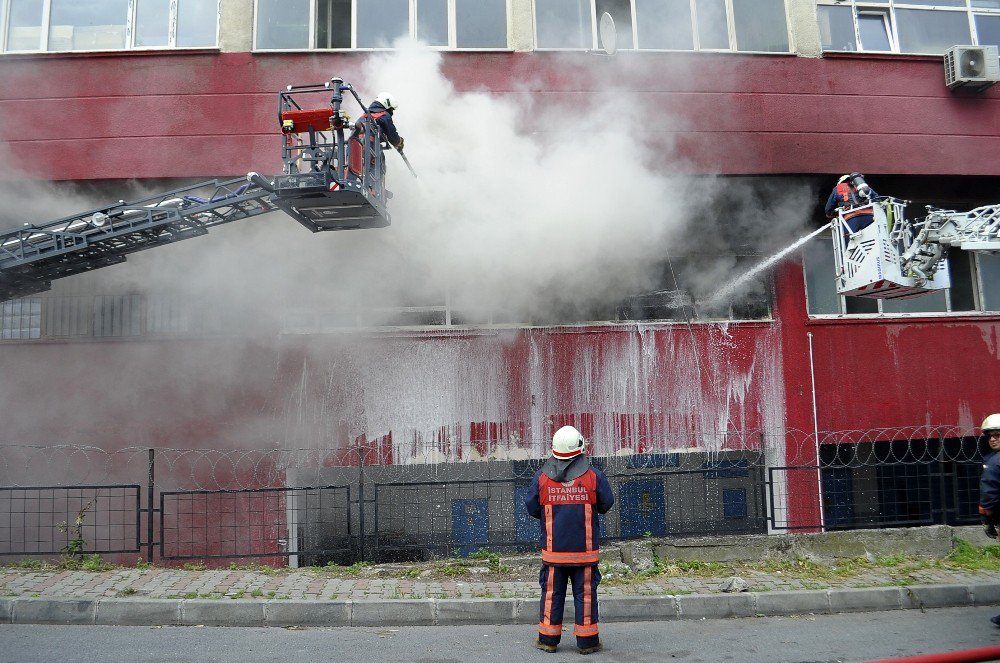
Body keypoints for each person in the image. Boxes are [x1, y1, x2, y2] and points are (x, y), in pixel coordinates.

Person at [524, 425, 615, 655]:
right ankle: (587, 643)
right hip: (584, 554)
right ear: (580, 448)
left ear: (554, 449)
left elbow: (532, 507)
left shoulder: (542, 477)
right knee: (585, 595)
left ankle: (547, 640)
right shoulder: (594, 476)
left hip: (554, 554)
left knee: (551, 594)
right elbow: (606, 504)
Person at [825, 172, 880, 237]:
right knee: (873, 238)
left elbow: (828, 209)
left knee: (849, 242)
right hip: (869, 217)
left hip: (851, 219)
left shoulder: (838, 188)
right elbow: (877, 199)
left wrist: (833, 214)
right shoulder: (862, 186)